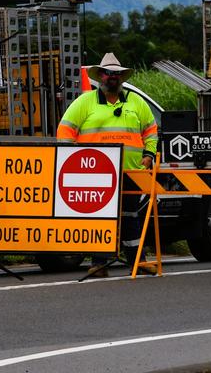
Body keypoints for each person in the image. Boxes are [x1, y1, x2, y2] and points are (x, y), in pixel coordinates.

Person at [56, 52, 158, 272]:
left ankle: (137, 261)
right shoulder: (85, 102)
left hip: (131, 172)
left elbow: (151, 131)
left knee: (130, 216)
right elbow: (64, 132)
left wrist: (149, 156)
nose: (112, 77)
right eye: (108, 73)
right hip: (97, 174)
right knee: (102, 217)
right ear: (100, 76)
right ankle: (99, 264)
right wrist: (75, 162)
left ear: (121, 77)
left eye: (116, 74)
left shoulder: (136, 101)